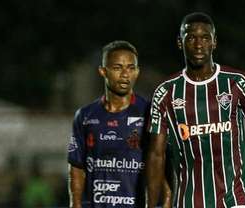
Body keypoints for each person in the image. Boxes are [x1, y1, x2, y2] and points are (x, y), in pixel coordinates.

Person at [146, 12, 245, 208]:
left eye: (205, 38)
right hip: (191, 200)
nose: (198, 44)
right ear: (180, 42)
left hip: (237, 197)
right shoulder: (166, 92)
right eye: (191, 37)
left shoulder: (238, 81)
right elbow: (156, 154)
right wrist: (150, 205)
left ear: (214, 43)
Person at [68, 40, 170, 208]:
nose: (125, 74)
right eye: (117, 68)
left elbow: (163, 163)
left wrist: (166, 202)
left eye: (131, 68)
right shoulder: (85, 116)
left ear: (137, 72)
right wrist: (75, 204)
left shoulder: (151, 113)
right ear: (103, 71)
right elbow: (77, 167)